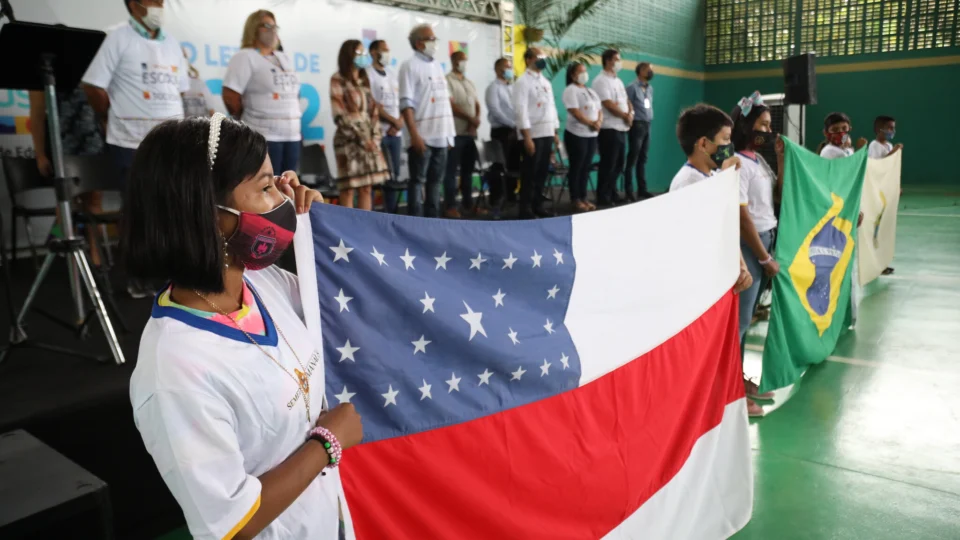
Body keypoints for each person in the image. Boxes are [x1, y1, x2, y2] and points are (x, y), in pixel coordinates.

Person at [124, 114, 363, 539]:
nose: (283, 199)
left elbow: (348, 307)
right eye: (267, 187)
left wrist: (319, 232)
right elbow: (230, 524)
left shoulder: (261, 283)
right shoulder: (174, 371)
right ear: (211, 214)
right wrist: (327, 442)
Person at [82, 0, 188, 298]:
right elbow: (94, 86)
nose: (159, 5)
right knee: (138, 212)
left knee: (171, 211)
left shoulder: (172, 43)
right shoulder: (116, 37)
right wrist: (108, 115)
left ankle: (168, 274)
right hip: (131, 141)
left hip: (171, 142)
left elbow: (180, 89)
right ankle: (136, 276)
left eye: (162, 1)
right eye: (153, 0)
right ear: (133, 3)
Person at [668, 105, 754, 403]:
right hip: (699, 287)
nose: (730, 147)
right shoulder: (689, 183)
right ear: (703, 143)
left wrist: (740, 264)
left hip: (718, 281)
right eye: (725, 139)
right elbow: (701, 237)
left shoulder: (712, 178)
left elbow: (726, 227)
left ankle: (728, 394)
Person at [731, 92, 784, 413]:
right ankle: (732, 392)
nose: (768, 130)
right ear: (746, 126)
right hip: (751, 245)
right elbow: (742, 216)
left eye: (769, 125)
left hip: (767, 237)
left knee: (749, 317)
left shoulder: (758, 160)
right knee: (739, 322)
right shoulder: (738, 163)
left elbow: (778, 193)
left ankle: (738, 378)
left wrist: (779, 158)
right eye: (762, 125)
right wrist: (763, 257)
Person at [28, 86, 106, 265]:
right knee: (67, 203)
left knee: (94, 201)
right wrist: (40, 154)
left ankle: (96, 259)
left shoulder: (92, 74)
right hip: (63, 144)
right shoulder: (44, 76)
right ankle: (66, 254)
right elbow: (37, 115)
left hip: (93, 141)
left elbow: (103, 109)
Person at [223, 10, 302, 173]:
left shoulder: (284, 57)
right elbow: (231, 96)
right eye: (266, 26)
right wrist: (248, 118)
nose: (272, 30)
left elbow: (295, 92)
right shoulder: (245, 56)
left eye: (274, 26)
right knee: (266, 183)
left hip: (292, 134)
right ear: (253, 28)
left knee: (288, 184)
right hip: (263, 135)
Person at [398, 23, 456, 217]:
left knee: (435, 183)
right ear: (419, 43)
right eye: (431, 39)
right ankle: (416, 224)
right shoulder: (409, 65)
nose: (434, 42)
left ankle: (433, 222)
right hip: (422, 136)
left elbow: (444, 101)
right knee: (417, 181)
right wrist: (414, 135)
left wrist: (449, 135)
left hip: (442, 135)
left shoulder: (437, 65)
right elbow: (406, 104)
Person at [330, 41, 389, 210]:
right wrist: (362, 139)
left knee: (366, 188)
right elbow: (339, 114)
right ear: (349, 55)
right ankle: (346, 226)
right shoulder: (338, 79)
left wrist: (375, 138)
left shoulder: (364, 80)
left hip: (369, 140)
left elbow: (373, 111)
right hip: (348, 140)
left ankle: (364, 225)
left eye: (364, 53)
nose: (363, 57)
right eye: (359, 53)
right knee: (348, 189)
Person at [513, 47, 560, 220]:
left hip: (547, 132)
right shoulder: (522, 82)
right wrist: (527, 137)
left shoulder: (545, 82)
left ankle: (537, 205)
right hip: (533, 134)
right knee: (530, 173)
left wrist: (555, 132)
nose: (542, 60)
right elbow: (521, 110)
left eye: (543, 56)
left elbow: (552, 107)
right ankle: (525, 209)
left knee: (542, 172)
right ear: (528, 60)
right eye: (538, 57)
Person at [443, 50, 485, 218]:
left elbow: (476, 104)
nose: (464, 63)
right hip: (455, 132)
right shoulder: (447, 80)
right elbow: (450, 106)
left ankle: (468, 204)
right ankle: (450, 206)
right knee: (451, 171)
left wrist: (476, 120)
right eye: (461, 60)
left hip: (470, 133)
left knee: (468, 171)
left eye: (465, 60)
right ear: (454, 61)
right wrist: (469, 119)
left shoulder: (469, 82)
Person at [366, 39, 404, 214]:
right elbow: (372, 104)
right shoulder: (367, 74)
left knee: (393, 177)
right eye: (383, 50)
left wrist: (399, 122)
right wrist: (392, 121)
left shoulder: (393, 73)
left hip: (395, 134)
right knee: (375, 177)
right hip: (378, 133)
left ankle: (391, 214)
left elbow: (402, 101)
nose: (387, 53)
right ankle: (372, 214)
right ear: (373, 52)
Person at [591, 49, 632, 208]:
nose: (619, 62)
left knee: (619, 164)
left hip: (621, 128)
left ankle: (613, 192)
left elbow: (626, 100)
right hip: (609, 128)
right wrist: (624, 115)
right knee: (608, 164)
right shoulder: (600, 81)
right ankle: (603, 196)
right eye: (617, 59)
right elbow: (607, 104)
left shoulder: (618, 81)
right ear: (608, 61)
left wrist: (630, 113)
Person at [562, 62, 602, 213]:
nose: (584, 74)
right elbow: (575, 112)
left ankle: (584, 197)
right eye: (580, 71)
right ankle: (575, 199)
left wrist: (598, 122)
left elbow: (599, 109)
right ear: (573, 75)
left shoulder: (590, 91)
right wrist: (591, 123)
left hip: (591, 135)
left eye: (585, 71)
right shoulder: (570, 90)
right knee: (577, 167)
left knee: (586, 167)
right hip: (576, 134)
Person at [484, 57, 520, 217]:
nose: (510, 70)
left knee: (513, 165)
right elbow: (495, 110)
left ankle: (511, 196)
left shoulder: (512, 87)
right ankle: (497, 200)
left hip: (515, 131)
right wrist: (512, 124)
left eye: (510, 67)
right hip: (501, 132)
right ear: (498, 69)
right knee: (499, 167)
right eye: (507, 67)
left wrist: (518, 124)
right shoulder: (493, 88)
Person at [868, 115, 903, 275]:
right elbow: (877, 166)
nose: (892, 131)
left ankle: (882, 262)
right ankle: (874, 263)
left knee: (884, 229)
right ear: (878, 129)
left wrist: (896, 186)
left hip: (887, 192)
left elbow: (891, 169)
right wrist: (894, 152)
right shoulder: (874, 146)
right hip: (877, 193)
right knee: (875, 229)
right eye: (889, 128)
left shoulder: (888, 145)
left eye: (893, 128)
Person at [624, 62, 655, 201]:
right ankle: (629, 191)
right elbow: (627, 105)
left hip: (648, 124)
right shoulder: (632, 87)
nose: (651, 72)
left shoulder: (650, 88)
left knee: (643, 158)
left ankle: (642, 190)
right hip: (637, 124)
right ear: (641, 71)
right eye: (649, 70)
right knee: (632, 158)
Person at [182, 47, 215, 118]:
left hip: (200, 124)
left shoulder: (198, 84)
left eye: (184, 57)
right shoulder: (167, 87)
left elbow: (212, 112)